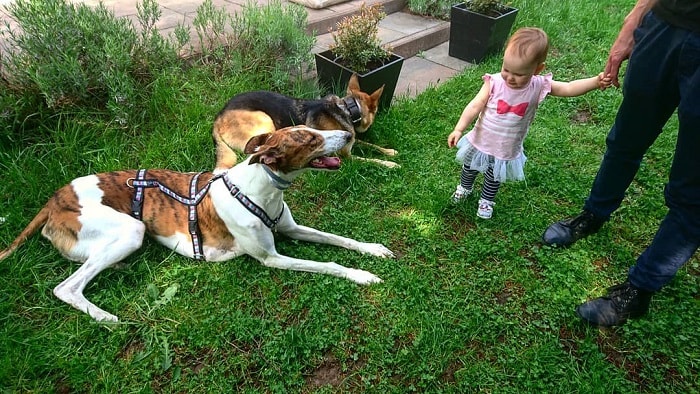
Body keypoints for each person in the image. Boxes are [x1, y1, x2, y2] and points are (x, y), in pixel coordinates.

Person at [541, 0, 700, 326]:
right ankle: (593, 214)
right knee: (626, 139)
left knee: (694, 186)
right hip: (665, 24)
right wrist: (634, 20)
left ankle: (641, 288)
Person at [447, 27, 610, 219]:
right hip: (481, 138)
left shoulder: (538, 85)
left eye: (519, 74)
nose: (510, 77)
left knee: (494, 175)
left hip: (506, 145)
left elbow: (568, 88)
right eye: (506, 69)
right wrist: (459, 128)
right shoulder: (494, 82)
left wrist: (594, 82)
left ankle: (486, 200)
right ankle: (464, 188)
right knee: (470, 166)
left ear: (537, 69)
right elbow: (475, 105)